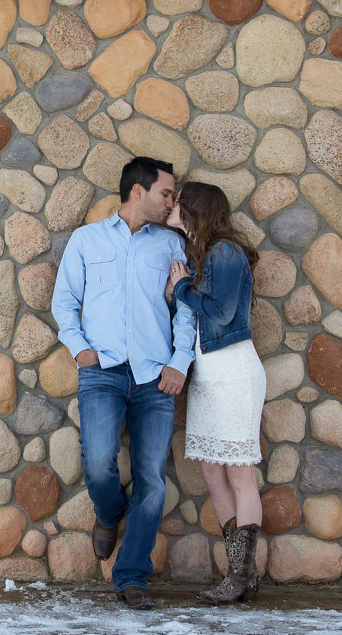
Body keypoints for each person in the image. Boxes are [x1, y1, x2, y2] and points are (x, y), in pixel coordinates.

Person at [52, 157, 195, 610]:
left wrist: (180, 362)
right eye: (166, 193)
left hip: (156, 378)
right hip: (103, 371)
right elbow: (64, 302)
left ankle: (132, 576)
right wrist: (80, 349)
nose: (172, 202)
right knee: (97, 463)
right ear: (139, 191)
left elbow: (186, 309)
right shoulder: (86, 239)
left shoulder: (172, 245)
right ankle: (110, 513)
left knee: (152, 479)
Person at [164, 182, 265, 605]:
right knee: (210, 469)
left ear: (193, 210)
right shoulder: (203, 253)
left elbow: (222, 311)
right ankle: (241, 574)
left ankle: (239, 576)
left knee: (239, 471)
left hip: (234, 371)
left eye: (177, 200)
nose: (170, 205)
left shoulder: (224, 251)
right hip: (210, 372)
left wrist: (181, 290)